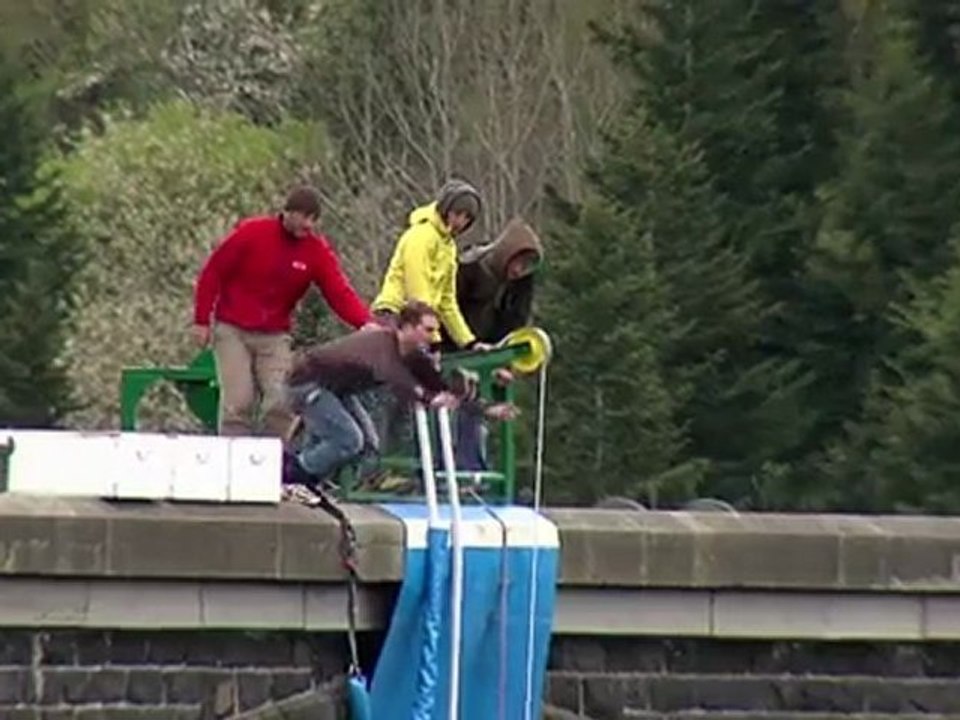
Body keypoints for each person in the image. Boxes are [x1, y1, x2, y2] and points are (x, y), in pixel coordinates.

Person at [193, 185, 375, 438]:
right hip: (233, 329)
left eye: (313, 219)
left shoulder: (315, 251)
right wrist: (201, 320)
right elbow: (213, 272)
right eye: (304, 217)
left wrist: (364, 322)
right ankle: (234, 453)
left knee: (283, 399)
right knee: (239, 401)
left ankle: (274, 452)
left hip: (274, 334)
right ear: (287, 213)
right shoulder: (253, 233)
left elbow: (338, 291)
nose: (308, 225)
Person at [282, 301, 516, 487]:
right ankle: (290, 475)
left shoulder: (414, 355)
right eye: (428, 330)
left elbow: (441, 388)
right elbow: (397, 378)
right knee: (349, 439)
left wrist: (486, 408)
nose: (434, 337)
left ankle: (315, 478)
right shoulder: (382, 345)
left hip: (336, 391)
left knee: (369, 444)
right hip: (307, 383)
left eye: (436, 331)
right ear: (407, 328)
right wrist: (427, 397)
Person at [439, 217, 545, 470]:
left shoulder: (519, 285)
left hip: (485, 352)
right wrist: (465, 348)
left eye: (526, 266)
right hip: (451, 346)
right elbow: (447, 308)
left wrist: (503, 362)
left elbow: (514, 323)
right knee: (459, 403)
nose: (519, 270)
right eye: (519, 262)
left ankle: (471, 471)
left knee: (477, 410)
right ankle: (455, 470)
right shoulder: (469, 268)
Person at [370, 179, 491, 351]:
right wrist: (432, 336)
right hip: (395, 315)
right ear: (446, 210)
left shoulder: (448, 248)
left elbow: (447, 302)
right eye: (457, 214)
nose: (460, 222)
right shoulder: (421, 236)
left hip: (421, 322)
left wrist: (469, 342)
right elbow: (417, 290)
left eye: (467, 218)